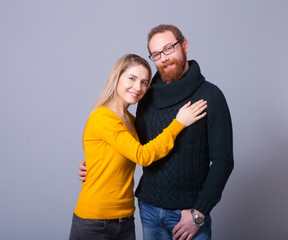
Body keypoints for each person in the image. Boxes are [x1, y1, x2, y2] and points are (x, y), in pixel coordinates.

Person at [79, 24, 234, 240]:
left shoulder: (211, 96)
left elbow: (223, 162)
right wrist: (95, 165)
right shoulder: (148, 98)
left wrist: (199, 213)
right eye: (156, 54)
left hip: (188, 214)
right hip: (148, 210)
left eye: (169, 48)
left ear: (185, 45)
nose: (164, 57)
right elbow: (139, 150)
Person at [70, 53, 208, 240]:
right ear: (117, 77)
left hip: (125, 220)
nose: (138, 87)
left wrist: (92, 166)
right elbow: (143, 155)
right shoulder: (103, 117)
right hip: (95, 221)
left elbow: (151, 147)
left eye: (144, 82)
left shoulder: (131, 121)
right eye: (132, 79)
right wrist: (179, 123)